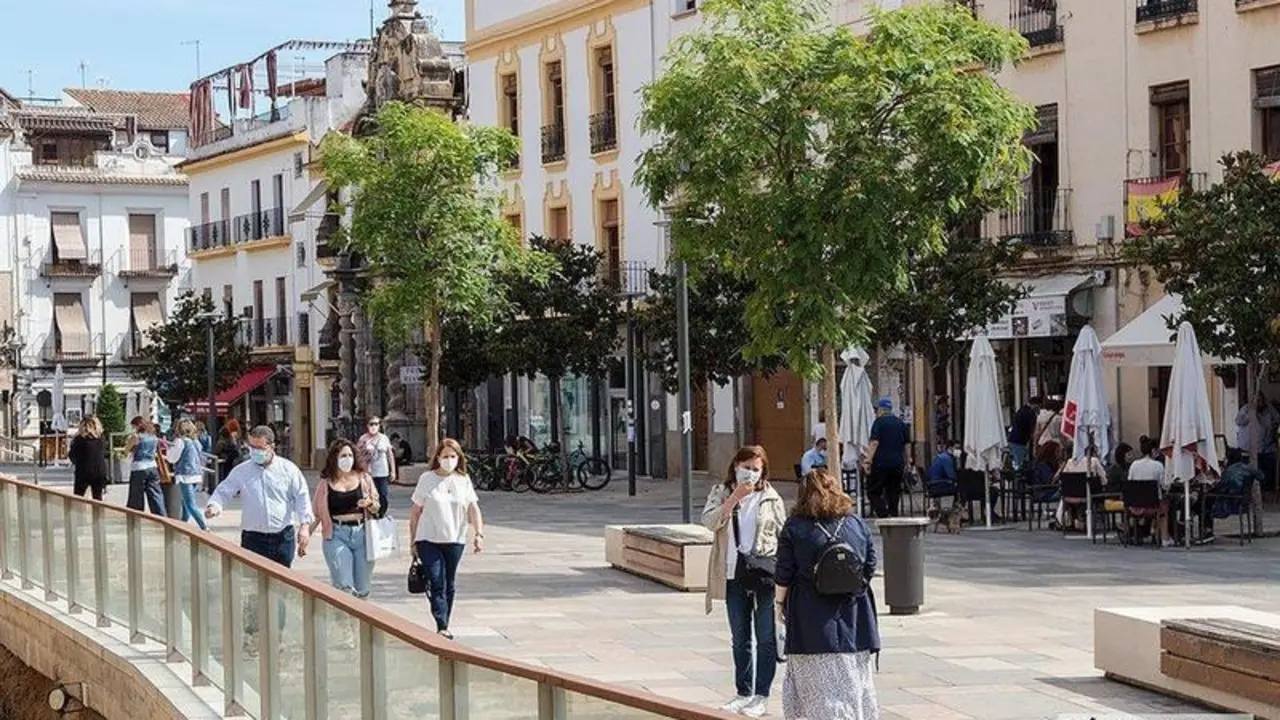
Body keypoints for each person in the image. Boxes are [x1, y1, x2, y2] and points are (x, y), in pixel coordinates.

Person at [776, 469, 880, 720]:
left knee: (816, 687)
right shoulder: (855, 524)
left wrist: (779, 604)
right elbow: (871, 564)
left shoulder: (795, 528)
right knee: (855, 680)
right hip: (855, 617)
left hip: (811, 619)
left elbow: (783, 574)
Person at [700, 445, 786, 718]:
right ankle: (743, 692)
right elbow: (709, 522)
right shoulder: (722, 492)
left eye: (755, 469)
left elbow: (784, 537)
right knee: (740, 638)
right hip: (733, 574)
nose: (749, 473)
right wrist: (734, 499)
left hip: (764, 575)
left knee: (766, 637)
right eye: (745, 467)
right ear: (735, 466)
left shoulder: (771, 498)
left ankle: (761, 696)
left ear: (763, 471)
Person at [409, 438, 484, 639]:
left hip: (455, 539)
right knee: (436, 580)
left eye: (453, 456)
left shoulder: (463, 480)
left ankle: (445, 620)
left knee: (449, 582)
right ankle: (441, 623)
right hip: (428, 539)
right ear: (438, 457)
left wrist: (478, 533)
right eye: (445, 456)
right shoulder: (427, 479)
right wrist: (413, 540)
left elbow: (473, 508)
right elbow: (415, 512)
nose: (449, 460)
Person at [312, 439, 380, 598]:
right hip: (336, 535)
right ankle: (344, 622)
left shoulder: (364, 478)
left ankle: (361, 621)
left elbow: (377, 506)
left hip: (363, 535)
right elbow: (316, 513)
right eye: (343, 455)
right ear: (335, 458)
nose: (347, 459)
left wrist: (370, 503)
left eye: (350, 455)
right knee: (344, 586)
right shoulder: (326, 482)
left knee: (363, 588)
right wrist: (304, 535)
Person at [863, 398, 910, 518]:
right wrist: (908, 461)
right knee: (894, 491)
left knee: (873, 491)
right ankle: (893, 514)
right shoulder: (901, 423)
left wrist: (868, 460)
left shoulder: (878, 422)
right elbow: (906, 445)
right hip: (897, 464)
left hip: (880, 464)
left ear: (881, 409)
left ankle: (883, 514)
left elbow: (874, 443)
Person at [1127, 436, 1172, 547]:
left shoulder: (1133, 465)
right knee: (1165, 507)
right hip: (1153, 506)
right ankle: (1164, 538)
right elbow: (1165, 486)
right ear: (1153, 451)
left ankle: (1148, 530)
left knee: (1158, 502)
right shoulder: (1158, 466)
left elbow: (1130, 483)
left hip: (1135, 506)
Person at [166, 419, 208, 530]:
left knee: (190, 504)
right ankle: (183, 525)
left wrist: (168, 450)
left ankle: (204, 527)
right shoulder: (196, 442)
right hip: (197, 474)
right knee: (185, 503)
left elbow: (172, 459)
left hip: (185, 475)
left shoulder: (180, 441)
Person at [1236, 393, 1279, 493]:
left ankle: (1266, 491)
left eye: (1260, 401)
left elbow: (1277, 420)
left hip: (1266, 447)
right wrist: (1251, 412)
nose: (1258, 403)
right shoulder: (1246, 409)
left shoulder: (1269, 409)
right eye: (1256, 401)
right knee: (1250, 471)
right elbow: (1239, 421)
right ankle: (1250, 492)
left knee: (1267, 471)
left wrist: (1272, 428)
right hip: (1248, 448)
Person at [125, 417, 166, 516]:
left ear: (138, 425)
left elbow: (126, 450)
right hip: (152, 466)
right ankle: (161, 516)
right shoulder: (154, 437)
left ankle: (136, 517)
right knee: (156, 495)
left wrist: (129, 445)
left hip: (139, 467)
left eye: (133, 426)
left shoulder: (136, 437)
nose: (133, 428)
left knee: (136, 497)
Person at [358, 416, 396, 518]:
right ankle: (373, 513)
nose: (374, 426)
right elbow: (358, 454)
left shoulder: (384, 438)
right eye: (371, 424)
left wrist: (393, 471)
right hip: (369, 472)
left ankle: (381, 513)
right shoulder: (363, 438)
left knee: (383, 494)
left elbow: (390, 454)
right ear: (367, 425)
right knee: (370, 495)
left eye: (376, 424)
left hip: (382, 472)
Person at [68, 416, 108, 500]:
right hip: (99, 471)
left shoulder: (79, 440)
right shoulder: (101, 439)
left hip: (83, 471)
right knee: (97, 498)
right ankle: (98, 512)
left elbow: (72, 455)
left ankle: (79, 512)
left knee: (78, 497)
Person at [1008, 396, 1042, 473]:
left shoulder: (1021, 410)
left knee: (1017, 463)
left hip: (1014, 439)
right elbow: (1032, 430)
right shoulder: (1030, 413)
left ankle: (1017, 479)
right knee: (1020, 465)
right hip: (1020, 442)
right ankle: (1019, 481)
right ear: (1036, 405)